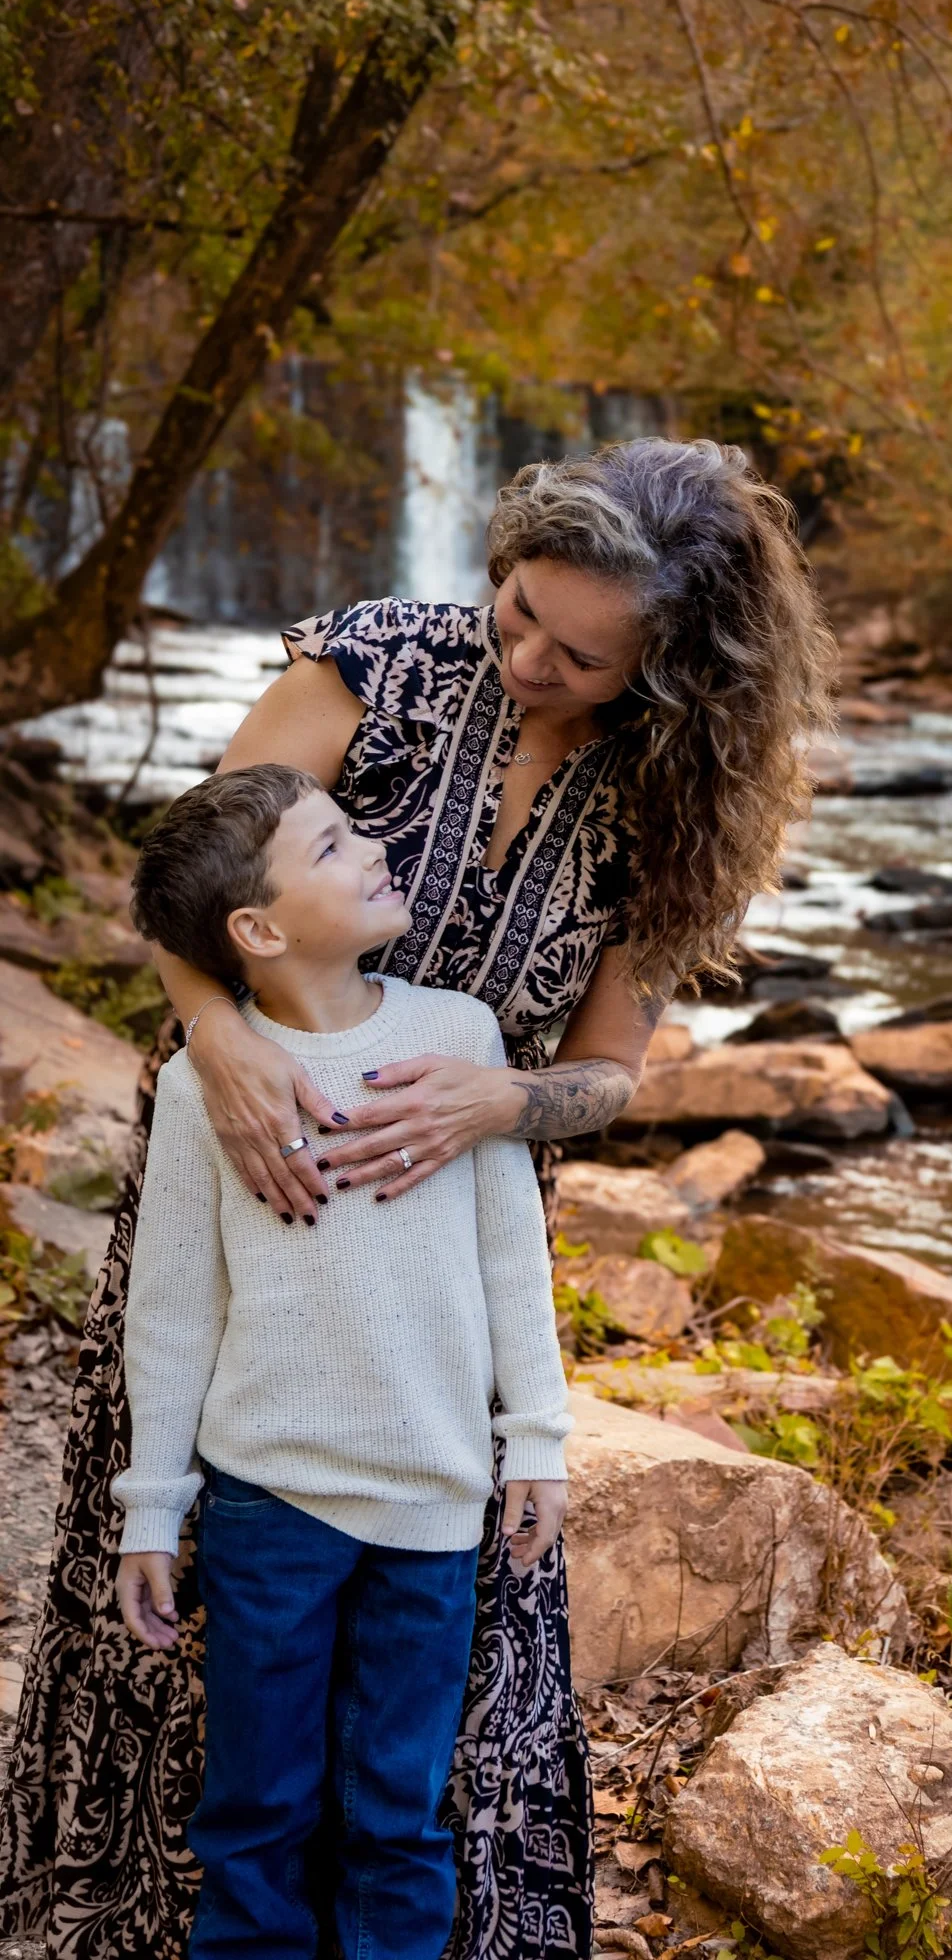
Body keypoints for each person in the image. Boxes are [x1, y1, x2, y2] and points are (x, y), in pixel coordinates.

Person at [0, 436, 836, 1960]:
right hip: (255, 1172)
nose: (525, 657)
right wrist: (219, 1037)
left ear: (674, 664)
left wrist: (504, 1102)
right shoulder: (374, 663)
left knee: (414, 1722)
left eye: (581, 655)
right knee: (213, 1594)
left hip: (449, 1282)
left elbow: (608, 1071)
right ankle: (156, 1918)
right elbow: (186, 877)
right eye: (516, 609)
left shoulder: (675, 794)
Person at [115, 762, 572, 1959]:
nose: (374, 846)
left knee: (398, 1814)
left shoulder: (457, 1037)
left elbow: (512, 1260)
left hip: (430, 1498)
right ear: (258, 929)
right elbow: (171, 1308)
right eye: (330, 845)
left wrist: (538, 1438)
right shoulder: (200, 1086)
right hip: (270, 1503)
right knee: (256, 1810)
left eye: (353, 826)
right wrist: (152, 1509)